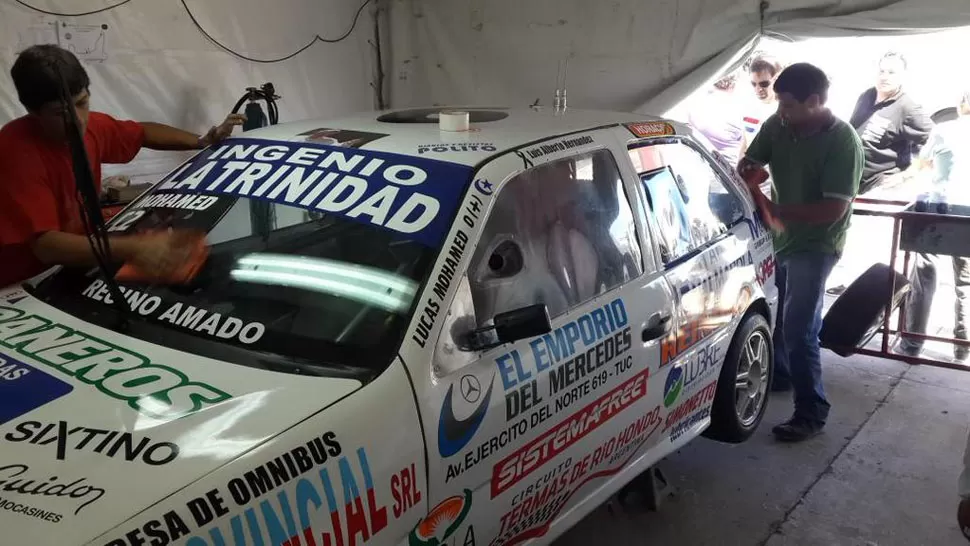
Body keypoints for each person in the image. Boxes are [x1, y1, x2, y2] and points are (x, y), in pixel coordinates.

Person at [0, 44, 244, 289]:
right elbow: (46, 246)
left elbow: (142, 132)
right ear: (32, 111)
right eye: (60, 112)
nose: (78, 120)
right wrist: (137, 248)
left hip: (65, 271)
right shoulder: (14, 151)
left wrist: (201, 141)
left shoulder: (92, 128)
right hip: (17, 285)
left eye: (83, 102)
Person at [738, 63, 864, 442]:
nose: (780, 112)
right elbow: (751, 160)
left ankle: (811, 411)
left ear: (815, 102)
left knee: (799, 327)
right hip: (783, 239)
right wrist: (749, 171)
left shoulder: (843, 141)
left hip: (818, 243)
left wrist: (778, 211)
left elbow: (833, 209)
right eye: (779, 103)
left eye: (788, 105)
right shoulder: (778, 125)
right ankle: (781, 374)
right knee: (780, 316)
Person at [895, 88, 970, 361]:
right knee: (966, 285)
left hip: (941, 211)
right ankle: (963, 348)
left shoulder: (945, 131)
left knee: (924, 277)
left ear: (962, 103)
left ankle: (912, 344)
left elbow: (923, 162)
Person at [849, 51, 932, 196]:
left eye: (892, 73)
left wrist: (906, 175)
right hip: (852, 182)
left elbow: (937, 143)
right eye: (882, 71)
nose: (884, 77)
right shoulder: (866, 96)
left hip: (879, 187)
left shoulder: (908, 108)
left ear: (903, 77)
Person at [687, 73, 746, 166]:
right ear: (733, 85)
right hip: (728, 171)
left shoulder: (696, 103)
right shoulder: (738, 108)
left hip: (700, 165)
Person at [743, 53, 784, 140]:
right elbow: (746, 140)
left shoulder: (785, 112)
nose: (758, 89)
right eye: (753, 84)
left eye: (764, 84)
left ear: (776, 79)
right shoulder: (747, 104)